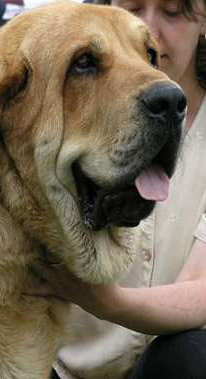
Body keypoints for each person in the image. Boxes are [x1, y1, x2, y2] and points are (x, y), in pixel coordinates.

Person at [47, 1, 206, 378]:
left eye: (173, 12)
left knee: (193, 356)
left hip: (166, 365)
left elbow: (200, 291)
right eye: (132, 6)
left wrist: (108, 302)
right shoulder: (56, 103)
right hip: (56, 363)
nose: (147, 29)